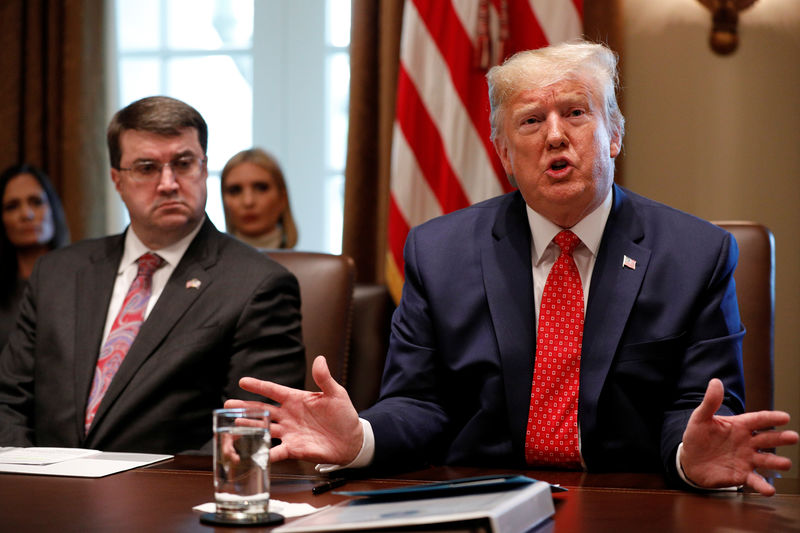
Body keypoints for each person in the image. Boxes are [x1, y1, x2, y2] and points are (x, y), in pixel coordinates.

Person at [225, 41, 798, 496]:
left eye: (576, 113)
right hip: (478, 499)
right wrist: (361, 439)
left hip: (632, 498)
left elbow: (699, 413)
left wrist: (688, 458)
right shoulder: (439, 251)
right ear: (502, 151)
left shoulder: (696, 254)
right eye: (530, 121)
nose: (555, 135)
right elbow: (419, 402)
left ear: (614, 134)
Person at [0, 96, 306, 454]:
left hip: (166, 501)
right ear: (117, 180)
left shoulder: (259, 285)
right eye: (147, 167)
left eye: (183, 163)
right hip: (44, 495)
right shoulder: (58, 273)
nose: (168, 183)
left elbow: (249, 429)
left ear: (204, 169)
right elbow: (9, 401)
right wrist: (25, 480)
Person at [0, 164, 69, 348]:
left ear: (52, 209)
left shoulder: (84, 280)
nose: (26, 214)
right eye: (12, 206)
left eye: (36, 202)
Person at [221, 148, 298, 249]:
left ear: (282, 198)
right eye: (235, 190)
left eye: (261, 188)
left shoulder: (312, 264)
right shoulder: (204, 263)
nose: (248, 201)